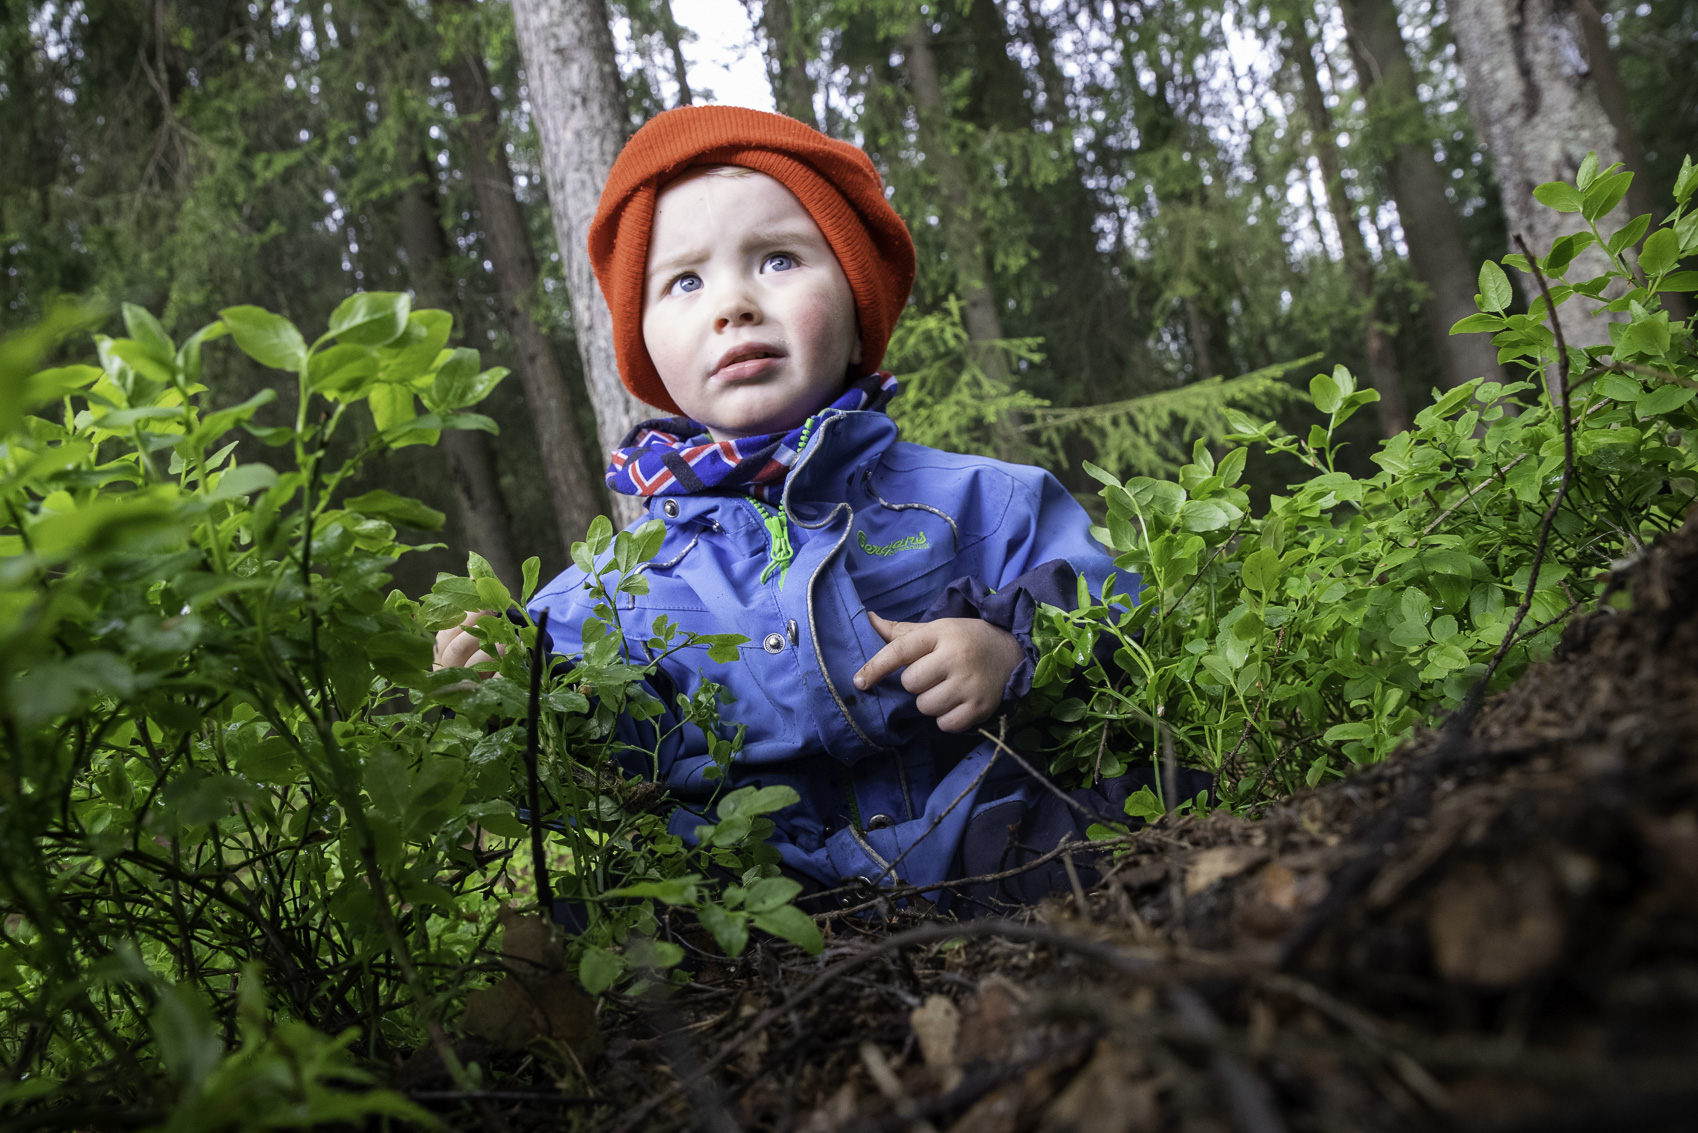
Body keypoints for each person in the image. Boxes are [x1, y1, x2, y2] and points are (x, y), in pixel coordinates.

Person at [434, 106, 1203, 916]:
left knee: (1136, 810)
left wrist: (1009, 646)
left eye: (776, 259)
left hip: (983, 847)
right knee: (614, 914)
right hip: (752, 906)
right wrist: (510, 684)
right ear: (645, 340)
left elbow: (1114, 612)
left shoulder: (980, 500)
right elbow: (567, 767)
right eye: (685, 281)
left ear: (853, 294)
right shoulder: (610, 590)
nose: (731, 303)